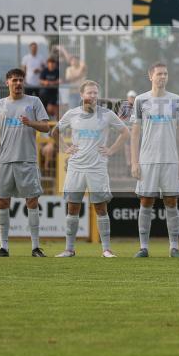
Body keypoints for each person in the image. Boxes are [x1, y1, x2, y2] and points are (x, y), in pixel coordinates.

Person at [51, 80, 129, 258]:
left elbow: (125, 133)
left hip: (97, 168)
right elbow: (55, 131)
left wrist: (111, 150)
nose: (93, 96)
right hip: (76, 167)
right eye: (89, 93)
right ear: (82, 95)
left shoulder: (107, 114)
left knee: (101, 208)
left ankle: (106, 249)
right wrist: (64, 148)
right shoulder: (72, 114)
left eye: (95, 93)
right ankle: (69, 249)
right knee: (72, 208)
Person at [0, 68, 51, 257]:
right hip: (5, 161)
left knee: (31, 201)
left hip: (27, 159)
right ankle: (4, 247)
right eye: (14, 80)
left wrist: (31, 123)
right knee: (2, 201)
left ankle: (35, 247)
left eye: (21, 80)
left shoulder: (34, 102)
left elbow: (46, 126)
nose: (18, 83)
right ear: (7, 83)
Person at [131, 62, 179, 258]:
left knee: (171, 203)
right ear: (151, 76)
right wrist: (134, 161)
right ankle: (143, 247)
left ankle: (174, 247)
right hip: (147, 160)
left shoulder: (176, 100)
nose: (163, 77)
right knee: (146, 202)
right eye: (159, 74)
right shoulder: (140, 100)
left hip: (170, 160)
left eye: (165, 73)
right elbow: (135, 133)